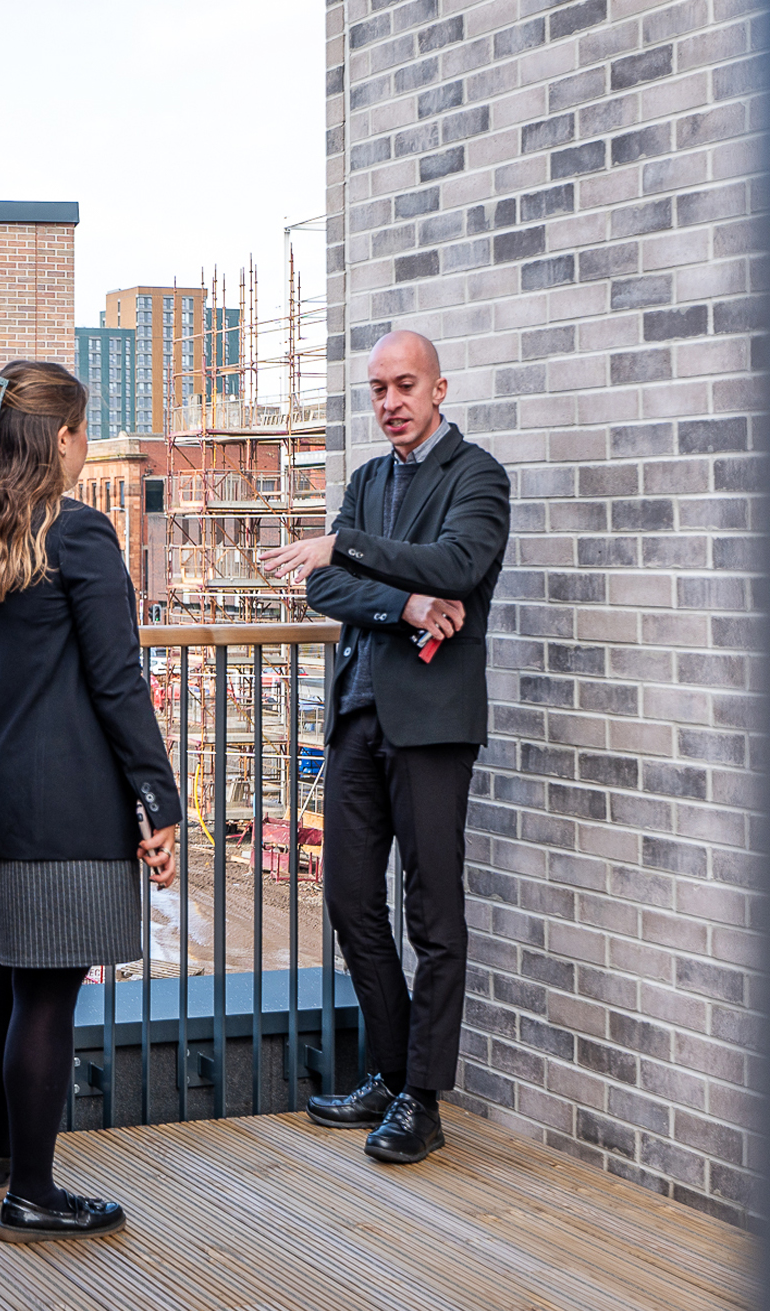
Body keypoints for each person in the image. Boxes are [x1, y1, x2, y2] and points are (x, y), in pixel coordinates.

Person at [0, 360, 181, 1243]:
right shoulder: (75, 533)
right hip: (63, 801)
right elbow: (118, 683)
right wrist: (161, 798)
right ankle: (33, 1195)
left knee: (12, 970)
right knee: (47, 993)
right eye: (80, 432)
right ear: (63, 439)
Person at [260, 331, 509, 1165]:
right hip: (359, 718)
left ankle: (424, 1099)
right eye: (377, 390)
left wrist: (348, 549)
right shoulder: (367, 480)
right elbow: (327, 585)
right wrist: (406, 606)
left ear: (440, 388)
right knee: (350, 899)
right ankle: (392, 1069)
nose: (390, 403)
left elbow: (458, 561)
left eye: (405, 386)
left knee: (433, 913)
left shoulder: (477, 476)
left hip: (434, 725)